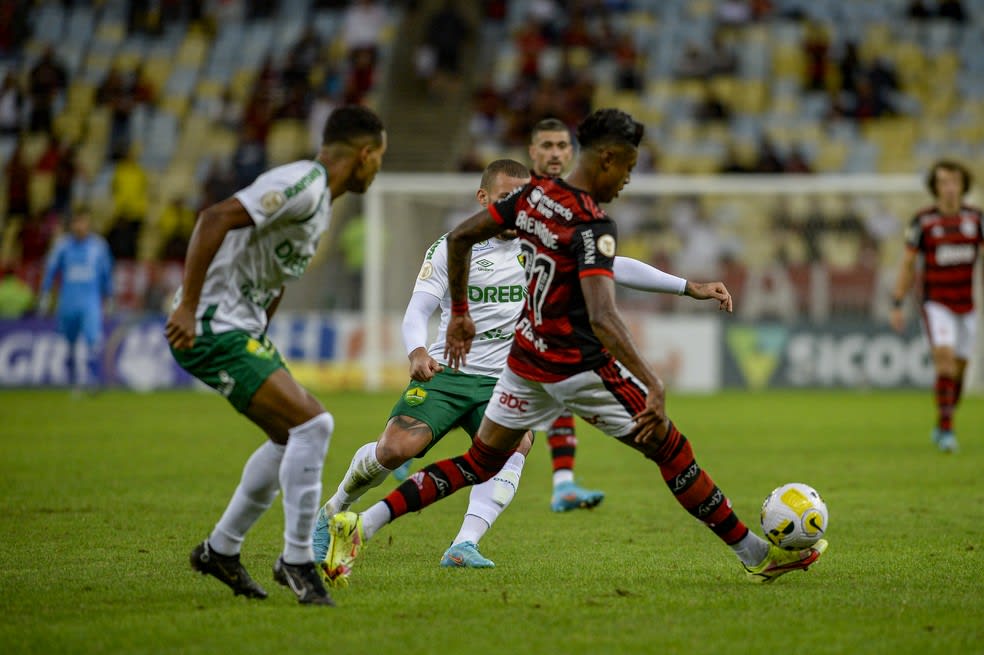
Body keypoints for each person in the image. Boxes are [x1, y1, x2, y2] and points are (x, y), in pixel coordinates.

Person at [323, 108, 827, 586]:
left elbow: (462, 238)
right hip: (574, 366)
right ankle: (755, 556)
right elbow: (604, 315)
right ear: (607, 158)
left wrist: (458, 314)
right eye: (627, 166)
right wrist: (652, 380)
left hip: (521, 362)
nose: (627, 180)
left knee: (481, 462)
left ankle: (359, 527)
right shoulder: (589, 221)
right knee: (672, 449)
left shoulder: (533, 198)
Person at [312, 158, 729, 571]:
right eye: (505, 196)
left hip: (507, 379)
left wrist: (688, 287)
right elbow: (416, 311)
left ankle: (464, 544)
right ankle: (333, 509)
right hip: (448, 372)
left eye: (522, 196)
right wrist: (416, 351)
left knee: (514, 447)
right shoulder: (453, 246)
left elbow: (615, 266)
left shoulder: (545, 241)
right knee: (395, 449)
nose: (515, 205)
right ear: (483, 198)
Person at [165, 105, 386, 606]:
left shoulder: (320, 205)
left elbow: (274, 274)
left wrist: (262, 328)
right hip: (211, 327)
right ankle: (296, 560)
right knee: (315, 425)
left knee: (292, 438)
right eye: (379, 159)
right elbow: (214, 217)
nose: (377, 170)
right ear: (366, 154)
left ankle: (221, 549)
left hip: (240, 329)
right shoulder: (303, 183)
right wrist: (190, 307)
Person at [890, 159, 982, 453]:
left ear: (963, 185)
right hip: (936, 304)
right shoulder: (923, 221)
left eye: (954, 181)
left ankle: (944, 419)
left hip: (967, 305)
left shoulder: (976, 220)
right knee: (945, 359)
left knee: (961, 370)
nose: (949, 188)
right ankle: (946, 431)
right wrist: (897, 301)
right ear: (935, 187)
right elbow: (907, 264)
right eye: (943, 182)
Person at [39, 208, 114, 392]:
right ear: (72, 224)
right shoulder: (62, 246)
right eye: (77, 222)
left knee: (93, 340)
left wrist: (110, 297)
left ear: (88, 224)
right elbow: (50, 271)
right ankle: (72, 381)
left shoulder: (98, 246)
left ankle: (94, 380)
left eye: (84, 222)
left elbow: (106, 274)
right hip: (68, 302)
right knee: (69, 342)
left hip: (90, 302)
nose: (81, 226)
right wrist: (46, 295)